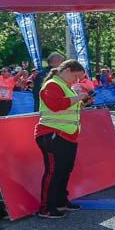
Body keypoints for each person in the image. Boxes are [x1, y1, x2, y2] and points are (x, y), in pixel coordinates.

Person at [34, 60, 92, 218]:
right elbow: (56, 105)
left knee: (65, 170)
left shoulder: (66, 86)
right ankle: (45, 207)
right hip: (52, 133)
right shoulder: (52, 84)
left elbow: (68, 107)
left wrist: (81, 102)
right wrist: (78, 97)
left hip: (67, 134)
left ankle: (60, 201)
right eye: (76, 76)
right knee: (54, 171)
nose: (77, 81)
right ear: (66, 70)